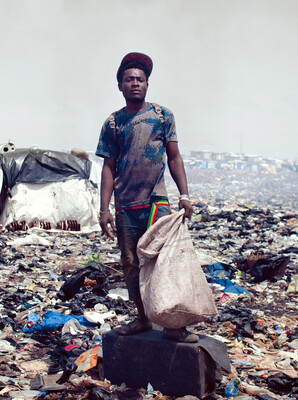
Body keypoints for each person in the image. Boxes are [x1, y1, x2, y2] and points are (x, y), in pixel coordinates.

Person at [96, 52, 197, 343]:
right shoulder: (113, 123)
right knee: (130, 262)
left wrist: (185, 195)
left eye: (140, 79)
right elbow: (108, 168)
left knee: (164, 260)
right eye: (129, 79)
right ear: (120, 86)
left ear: (147, 84)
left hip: (156, 202)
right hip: (126, 205)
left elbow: (175, 158)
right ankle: (141, 317)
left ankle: (173, 325)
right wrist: (104, 209)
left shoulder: (163, 116)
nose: (135, 84)